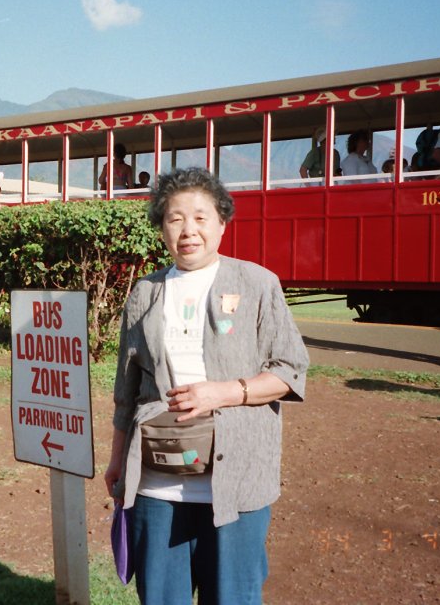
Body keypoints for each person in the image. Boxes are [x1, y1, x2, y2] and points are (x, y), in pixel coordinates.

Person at [104, 167, 308, 604]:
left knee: (232, 596)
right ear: (161, 227)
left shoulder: (257, 284)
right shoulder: (144, 292)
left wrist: (223, 392)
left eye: (200, 217)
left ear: (222, 223)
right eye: (175, 219)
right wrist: (118, 458)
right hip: (156, 483)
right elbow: (127, 388)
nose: (188, 230)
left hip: (237, 482)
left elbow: (290, 370)